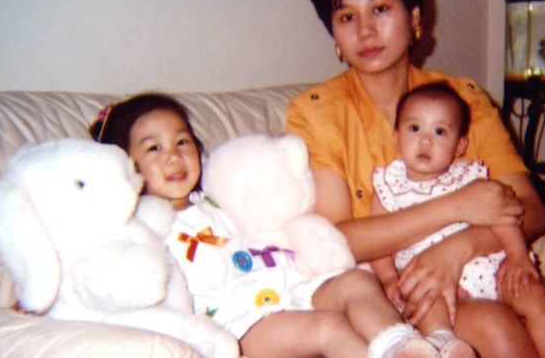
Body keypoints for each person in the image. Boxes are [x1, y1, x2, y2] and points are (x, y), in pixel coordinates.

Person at [286, 0, 545, 356]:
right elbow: (334, 241)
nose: (365, 29)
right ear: (333, 33)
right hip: (390, 287)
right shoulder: (316, 112)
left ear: (415, 17)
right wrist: (455, 208)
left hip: (480, 263)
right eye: (346, 17)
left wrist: (457, 248)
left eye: (381, 8)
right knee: (498, 330)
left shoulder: (464, 100)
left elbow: (531, 212)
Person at [89, 92, 446, 358]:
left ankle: (398, 345)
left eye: (182, 141)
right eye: (153, 148)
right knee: (328, 327)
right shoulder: (139, 226)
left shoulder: (217, 201)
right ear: (125, 165)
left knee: (357, 280)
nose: (174, 156)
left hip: (286, 293)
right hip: (236, 325)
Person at [370, 81, 545, 358]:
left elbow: (503, 217)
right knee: (426, 303)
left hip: (489, 267)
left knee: (536, 297)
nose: (425, 140)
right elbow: (380, 242)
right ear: (395, 137)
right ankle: (445, 343)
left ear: (460, 144)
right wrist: (389, 277)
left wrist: (517, 255)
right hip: (430, 279)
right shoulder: (388, 186)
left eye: (440, 131)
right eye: (414, 128)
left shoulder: (469, 178)